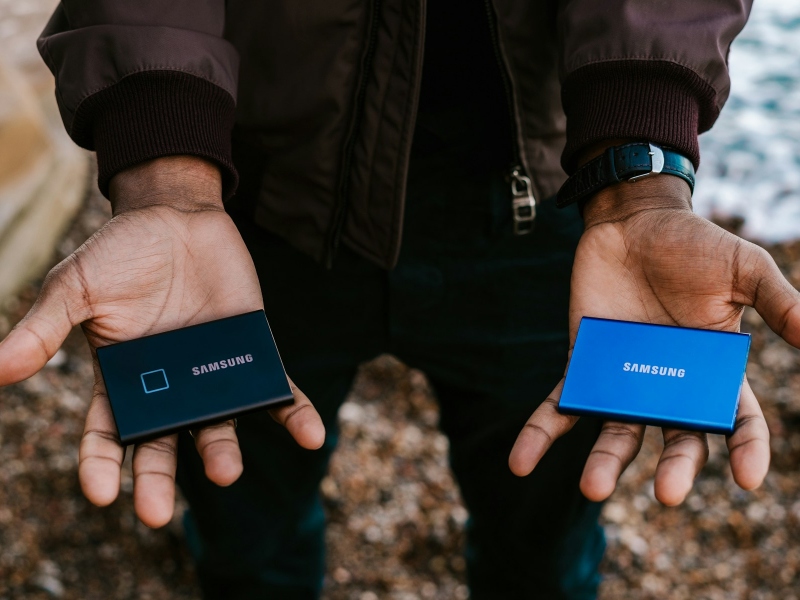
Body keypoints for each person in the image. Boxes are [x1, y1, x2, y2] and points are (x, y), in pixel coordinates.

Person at [0, 0, 795, 598]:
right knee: (247, 527)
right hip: (253, 205)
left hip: (556, 205)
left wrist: (639, 175)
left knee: (542, 544)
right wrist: (165, 171)